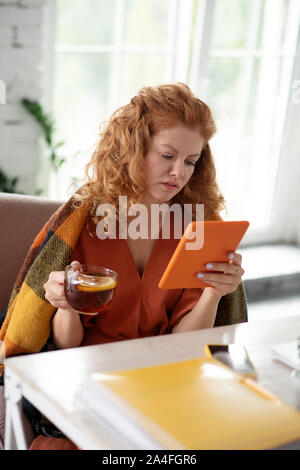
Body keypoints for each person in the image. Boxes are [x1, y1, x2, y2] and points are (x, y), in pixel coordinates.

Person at [0, 83, 246, 450]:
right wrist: (66, 305)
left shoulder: (196, 226)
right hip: (85, 379)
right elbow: (67, 344)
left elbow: (186, 344)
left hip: (163, 379)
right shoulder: (84, 220)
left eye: (191, 161)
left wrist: (213, 292)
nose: (179, 173)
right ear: (134, 148)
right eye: (167, 155)